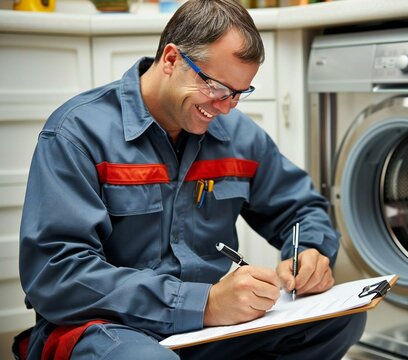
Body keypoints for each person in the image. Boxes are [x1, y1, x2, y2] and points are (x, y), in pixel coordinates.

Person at [15, 0, 366, 359]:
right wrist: (204, 303)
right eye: (216, 87)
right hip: (104, 326)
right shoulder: (77, 133)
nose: (226, 107)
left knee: (343, 319)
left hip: (202, 327)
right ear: (171, 60)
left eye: (239, 93)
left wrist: (307, 251)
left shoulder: (238, 136)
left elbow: (301, 209)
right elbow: (57, 273)